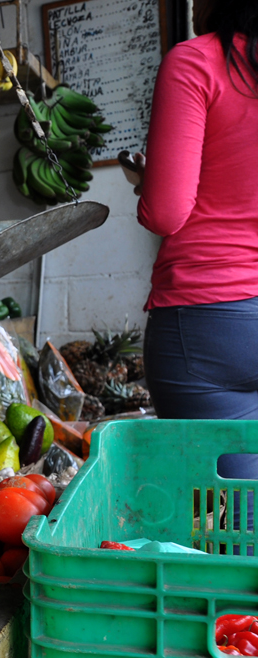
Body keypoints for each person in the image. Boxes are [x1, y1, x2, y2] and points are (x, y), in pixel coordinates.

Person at [133, 0, 258, 477]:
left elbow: (166, 212)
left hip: (210, 321)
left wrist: (147, 184)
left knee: (234, 517)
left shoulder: (197, 61)